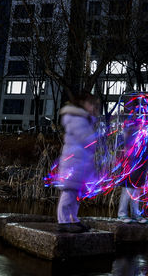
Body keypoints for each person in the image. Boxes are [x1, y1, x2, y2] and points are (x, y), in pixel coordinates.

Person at [55, 93, 101, 233]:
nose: (94, 108)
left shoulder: (84, 120)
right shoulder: (76, 120)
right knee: (69, 192)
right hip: (73, 164)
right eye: (92, 104)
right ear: (84, 104)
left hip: (80, 163)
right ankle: (63, 221)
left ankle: (73, 219)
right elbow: (87, 139)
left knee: (75, 194)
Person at [117, 122, 148, 224]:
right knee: (128, 191)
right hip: (131, 168)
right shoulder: (130, 137)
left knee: (136, 192)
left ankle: (135, 214)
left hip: (141, 168)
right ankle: (122, 214)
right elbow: (126, 153)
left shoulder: (144, 138)